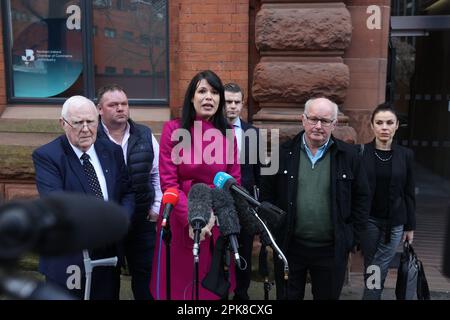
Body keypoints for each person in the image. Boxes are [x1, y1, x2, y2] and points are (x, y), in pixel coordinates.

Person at [259, 97, 370, 300]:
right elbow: (266, 196)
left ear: (334, 124)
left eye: (325, 121)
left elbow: (362, 198)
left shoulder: (350, 156)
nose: (318, 126)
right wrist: (274, 232)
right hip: (289, 247)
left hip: (331, 250)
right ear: (303, 120)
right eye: (313, 119)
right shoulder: (280, 153)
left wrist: (350, 238)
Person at [150, 70, 241, 300]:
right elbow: (169, 182)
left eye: (214, 92)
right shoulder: (174, 129)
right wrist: (193, 216)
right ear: (192, 97)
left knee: (209, 289)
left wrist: (214, 214)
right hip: (181, 216)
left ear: (220, 99)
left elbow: (234, 180)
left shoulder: (228, 134)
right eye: (202, 91)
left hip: (216, 219)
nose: (208, 97)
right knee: (179, 288)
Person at [32, 95, 134, 299]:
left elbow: (127, 192)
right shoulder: (48, 156)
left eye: (91, 121)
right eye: (78, 123)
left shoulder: (111, 150)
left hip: (108, 256)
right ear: (63, 123)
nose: (86, 129)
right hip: (68, 259)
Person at [96, 84, 162, 300]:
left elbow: (158, 173)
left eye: (124, 104)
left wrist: (156, 207)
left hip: (142, 220)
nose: (120, 109)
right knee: (106, 279)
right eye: (113, 105)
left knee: (146, 277)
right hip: (107, 222)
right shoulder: (92, 137)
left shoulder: (144, 134)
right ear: (99, 109)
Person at [360, 103, 416, 300]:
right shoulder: (360, 153)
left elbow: (409, 192)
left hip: (395, 222)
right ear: (372, 126)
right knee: (372, 264)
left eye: (389, 122)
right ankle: (372, 295)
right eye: (380, 122)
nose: (384, 127)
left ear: (397, 125)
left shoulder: (406, 155)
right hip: (369, 222)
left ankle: (370, 297)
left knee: (379, 265)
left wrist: (410, 227)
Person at [223, 83, 261, 300]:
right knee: (219, 250)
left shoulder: (252, 133)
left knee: (244, 251)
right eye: (229, 101)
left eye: (237, 102)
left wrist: (258, 203)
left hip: (245, 201)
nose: (233, 106)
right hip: (218, 200)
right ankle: (219, 293)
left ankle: (241, 294)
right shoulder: (210, 132)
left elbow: (259, 173)